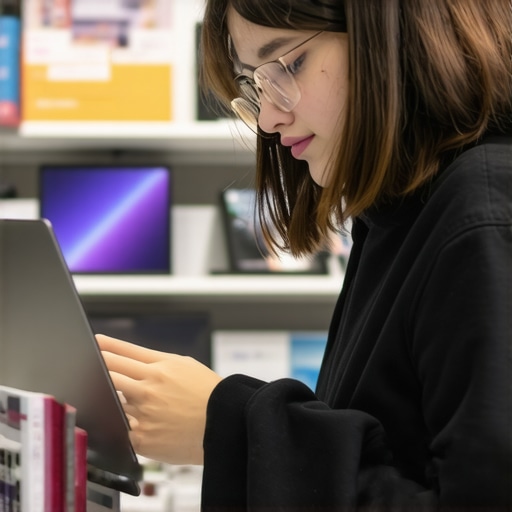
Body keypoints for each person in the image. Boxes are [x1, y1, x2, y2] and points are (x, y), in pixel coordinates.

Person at [97, 0, 512, 509]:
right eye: (254, 83)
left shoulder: (483, 209)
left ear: (394, 35)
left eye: (289, 65)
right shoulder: (398, 214)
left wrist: (229, 422)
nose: (269, 118)